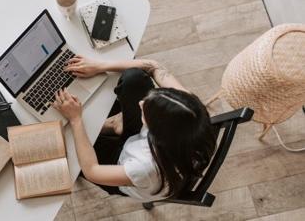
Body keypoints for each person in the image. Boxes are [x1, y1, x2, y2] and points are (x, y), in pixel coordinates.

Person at [52, 55, 217, 202]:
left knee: (64, 146)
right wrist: (99, 66)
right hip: (146, 143)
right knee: (135, 78)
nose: (141, 103)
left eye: (146, 110)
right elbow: (153, 66)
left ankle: (115, 126)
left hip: (123, 165)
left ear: (157, 131)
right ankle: (118, 125)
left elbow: (92, 170)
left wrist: (76, 120)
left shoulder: (144, 168)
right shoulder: (190, 110)